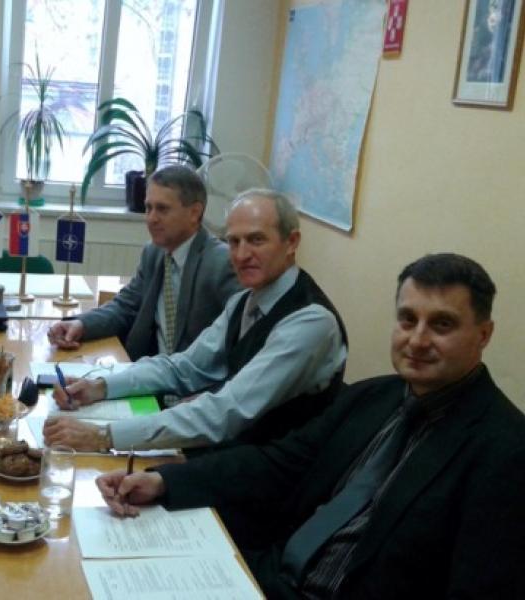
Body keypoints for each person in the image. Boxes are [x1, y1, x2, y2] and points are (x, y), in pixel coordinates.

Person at [98, 253, 525, 598]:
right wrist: (163, 481)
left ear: (484, 334)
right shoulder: (374, 396)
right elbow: (278, 464)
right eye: (408, 319)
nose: (417, 339)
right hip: (270, 573)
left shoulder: (506, 451)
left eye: (442, 325)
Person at [45, 189, 347, 451]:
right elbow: (184, 367)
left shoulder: (310, 323)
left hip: (272, 472)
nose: (242, 255)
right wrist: (100, 387)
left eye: (256, 240)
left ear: (291, 242)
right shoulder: (244, 301)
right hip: (235, 450)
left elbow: (225, 412)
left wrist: (104, 436)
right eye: (234, 242)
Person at [47, 165, 241, 361]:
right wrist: (80, 324)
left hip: (192, 376)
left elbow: (238, 341)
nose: (151, 218)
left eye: (162, 209)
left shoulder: (221, 262)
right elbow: (126, 306)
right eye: (148, 208)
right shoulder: (153, 252)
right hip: (147, 368)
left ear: (194, 213)